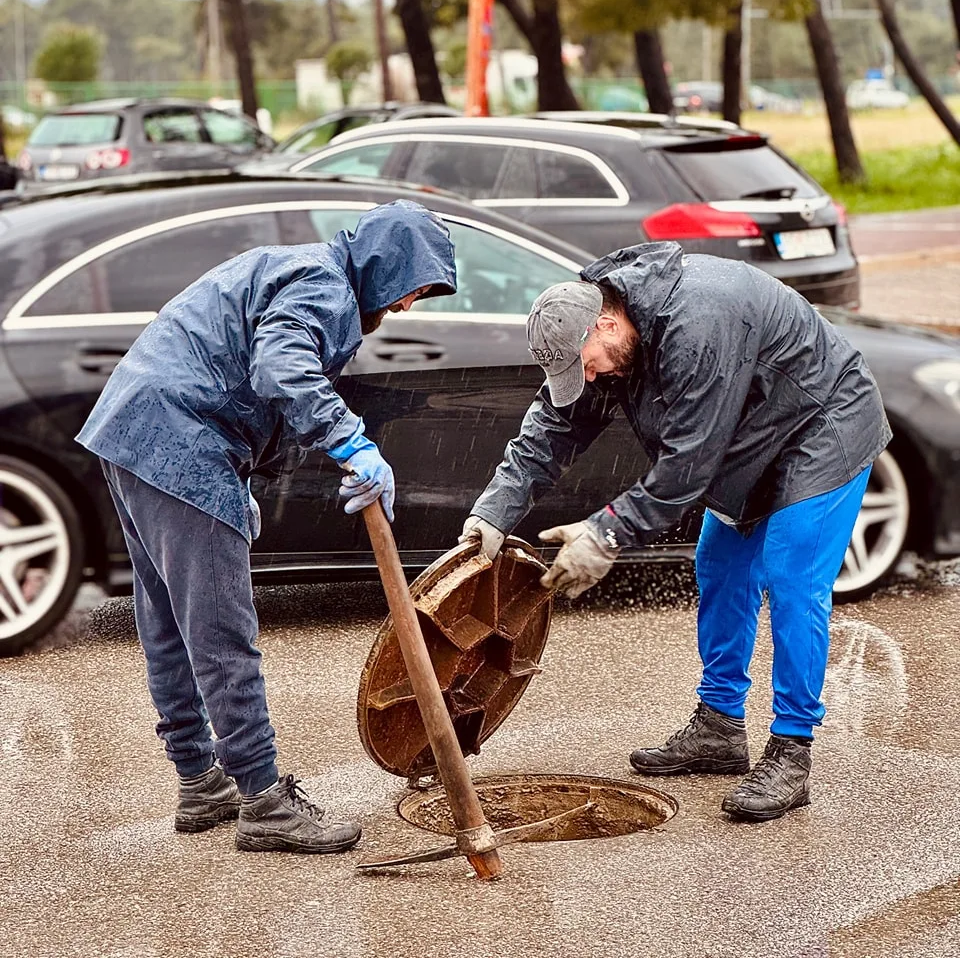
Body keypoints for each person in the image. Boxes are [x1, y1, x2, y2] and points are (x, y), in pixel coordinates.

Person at [460, 242, 890, 822]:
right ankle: (719, 727)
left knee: (791, 580)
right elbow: (550, 431)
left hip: (821, 425)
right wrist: (492, 513)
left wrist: (606, 535)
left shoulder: (698, 320)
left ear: (607, 321)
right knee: (718, 567)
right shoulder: (609, 337)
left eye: (585, 363)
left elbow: (688, 464)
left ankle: (792, 751)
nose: (587, 377)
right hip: (749, 436)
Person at [77, 200, 457, 853]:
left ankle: (202, 782)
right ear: (385, 264)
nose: (408, 306)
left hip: (136, 434)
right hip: (182, 445)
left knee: (170, 624)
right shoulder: (325, 285)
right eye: (412, 287)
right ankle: (263, 803)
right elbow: (280, 370)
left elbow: (242, 366)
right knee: (223, 635)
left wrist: (245, 479)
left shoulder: (302, 268)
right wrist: (351, 442)